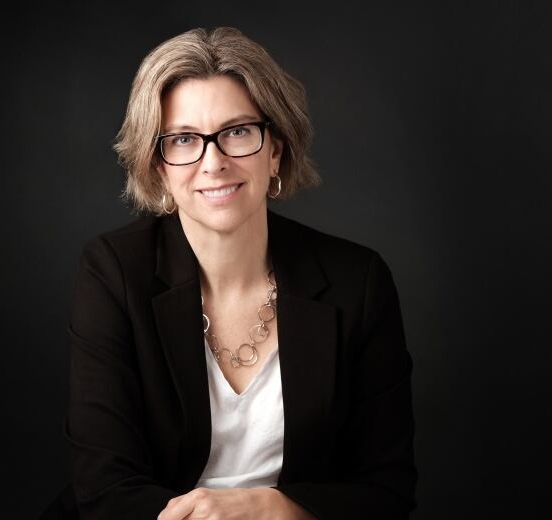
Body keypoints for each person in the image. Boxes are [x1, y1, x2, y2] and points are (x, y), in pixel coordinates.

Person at [64, 27, 417, 519]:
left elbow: (387, 489)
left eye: (237, 132)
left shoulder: (358, 281)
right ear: (157, 166)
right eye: (184, 139)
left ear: (276, 149)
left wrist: (276, 508)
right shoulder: (113, 273)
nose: (214, 162)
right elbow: (106, 487)